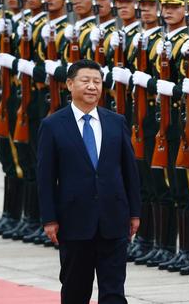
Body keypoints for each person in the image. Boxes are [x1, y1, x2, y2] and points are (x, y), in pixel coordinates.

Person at [36, 59, 141, 304]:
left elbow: (130, 171)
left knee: (114, 291)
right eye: (85, 81)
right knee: (75, 290)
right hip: (74, 221)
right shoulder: (52, 125)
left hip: (113, 218)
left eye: (97, 82)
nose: (92, 87)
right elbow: (46, 177)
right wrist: (49, 218)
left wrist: (134, 212)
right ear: (70, 84)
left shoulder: (116, 122)